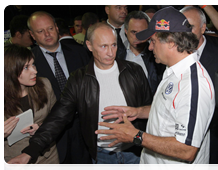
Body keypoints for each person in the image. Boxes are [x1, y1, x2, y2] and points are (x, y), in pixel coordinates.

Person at [5, 22, 152, 170]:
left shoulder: (134, 71)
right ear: (89, 46)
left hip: (135, 151)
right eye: (103, 46)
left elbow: (150, 109)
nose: (110, 52)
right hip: (101, 156)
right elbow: (58, 117)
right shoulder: (79, 79)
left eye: (113, 45)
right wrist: (30, 152)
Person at [95, 7, 215, 170]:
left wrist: (135, 136)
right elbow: (169, 110)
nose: (150, 48)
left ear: (171, 42)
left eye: (153, 41)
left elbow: (187, 150)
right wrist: (138, 112)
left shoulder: (194, 85)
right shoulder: (172, 71)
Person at [27, 11, 91, 170]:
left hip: (83, 129)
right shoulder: (28, 63)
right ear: (32, 35)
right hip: (51, 134)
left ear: (56, 27)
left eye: (50, 28)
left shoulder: (80, 53)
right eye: (40, 31)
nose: (47, 34)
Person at [180, 6, 218, 170]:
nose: (185, 32)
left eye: (190, 26)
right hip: (177, 135)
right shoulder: (173, 52)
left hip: (212, 136)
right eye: (181, 26)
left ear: (203, 28)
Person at [4, 44, 60, 170]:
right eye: (26, 67)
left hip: (48, 156)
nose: (34, 70)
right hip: (16, 162)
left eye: (33, 64)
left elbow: (57, 118)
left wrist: (41, 128)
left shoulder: (44, 85)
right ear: (10, 70)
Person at [119, 10, 164, 94]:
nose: (138, 37)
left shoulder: (158, 58)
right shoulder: (117, 55)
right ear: (126, 31)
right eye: (134, 32)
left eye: (142, 32)